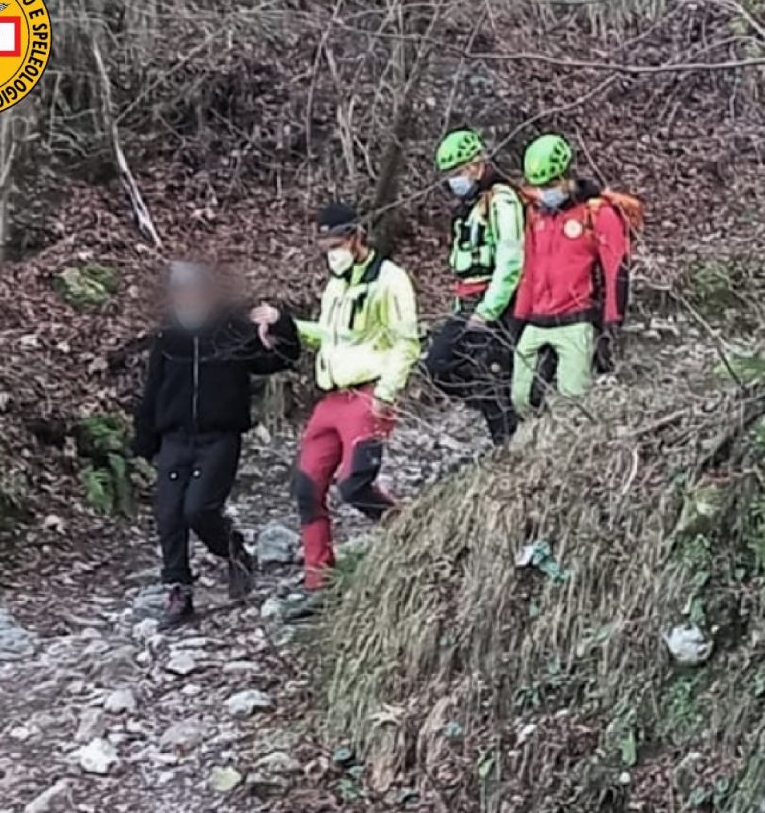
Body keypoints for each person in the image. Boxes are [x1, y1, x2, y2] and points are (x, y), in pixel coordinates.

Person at [131, 262, 300, 630]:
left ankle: (235, 551)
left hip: (220, 436)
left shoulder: (231, 332)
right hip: (175, 436)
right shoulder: (168, 337)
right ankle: (178, 589)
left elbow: (281, 358)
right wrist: (144, 438)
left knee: (200, 510)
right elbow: (153, 389)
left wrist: (281, 324)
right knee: (169, 515)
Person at [275, 202, 419, 600]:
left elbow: (407, 342)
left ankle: (413, 532)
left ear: (357, 237)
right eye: (325, 247)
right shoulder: (336, 285)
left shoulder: (389, 281)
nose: (331, 254)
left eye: (336, 244)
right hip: (332, 396)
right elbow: (331, 335)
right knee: (306, 485)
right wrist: (287, 327)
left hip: (369, 391)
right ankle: (318, 580)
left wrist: (386, 396)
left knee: (354, 484)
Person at [511, 134, 629, 416]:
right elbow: (529, 269)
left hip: (576, 319)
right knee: (520, 399)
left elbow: (617, 271)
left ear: (566, 177)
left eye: (549, 185)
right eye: (538, 186)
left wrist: (612, 324)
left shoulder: (597, 214)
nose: (542, 192)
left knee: (574, 404)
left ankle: (572, 454)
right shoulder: (536, 215)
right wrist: (518, 319)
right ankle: (533, 450)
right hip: (537, 318)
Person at [421, 129, 526, 444]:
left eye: (457, 172)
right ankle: (501, 423)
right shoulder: (466, 207)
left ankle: (506, 438)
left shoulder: (502, 200)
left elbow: (510, 259)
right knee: (441, 366)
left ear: (475, 165)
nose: (453, 180)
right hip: (469, 301)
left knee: (492, 370)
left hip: (495, 303)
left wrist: (488, 310)